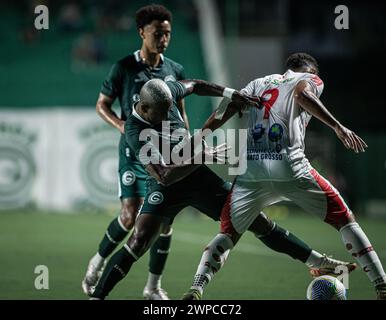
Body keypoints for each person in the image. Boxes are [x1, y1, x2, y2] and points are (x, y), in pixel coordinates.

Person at [90, 78, 355, 300]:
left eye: (170, 107)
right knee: (138, 241)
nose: (168, 114)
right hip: (165, 187)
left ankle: (317, 262)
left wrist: (229, 94)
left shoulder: (164, 95)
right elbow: (164, 175)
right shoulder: (135, 131)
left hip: (198, 179)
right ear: (145, 108)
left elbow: (194, 84)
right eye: (162, 112)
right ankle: (97, 296)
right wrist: (202, 156)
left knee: (257, 220)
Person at [182, 53, 386, 300]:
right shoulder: (311, 79)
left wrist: (201, 135)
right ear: (311, 70)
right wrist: (337, 127)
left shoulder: (259, 83)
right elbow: (302, 95)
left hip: (251, 171)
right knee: (345, 220)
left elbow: (230, 106)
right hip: (291, 167)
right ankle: (382, 285)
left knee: (227, 234)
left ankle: (196, 289)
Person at [82, 4, 188, 300]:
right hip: (133, 153)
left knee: (164, 222)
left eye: (167, 33)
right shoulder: (124, 67)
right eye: (157, 33)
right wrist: (119, 124)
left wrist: (185, 144)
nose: (163, 39)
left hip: (164, 154)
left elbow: (180, 112)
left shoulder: (175, 70)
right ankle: (97, 262)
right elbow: (101, 104)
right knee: (129, 216)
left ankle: (153, 287)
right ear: (142, 32)